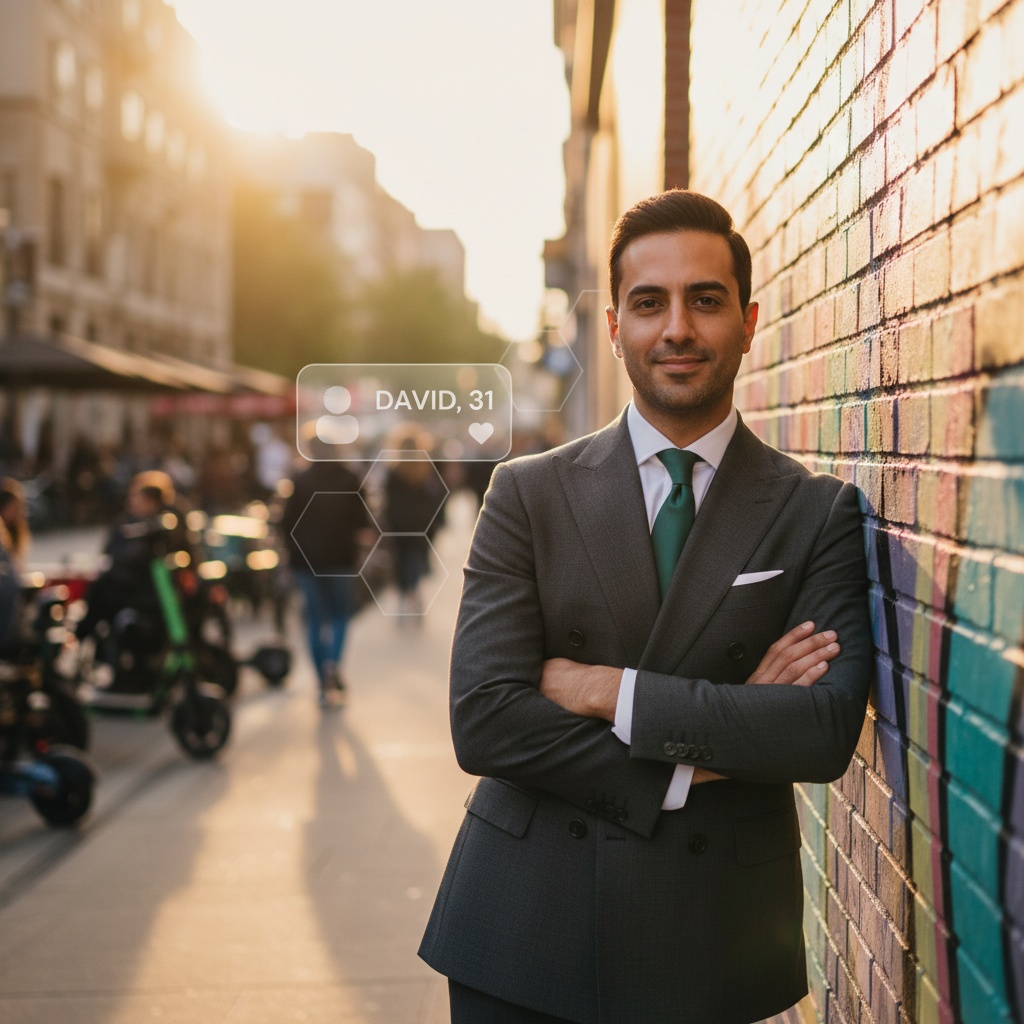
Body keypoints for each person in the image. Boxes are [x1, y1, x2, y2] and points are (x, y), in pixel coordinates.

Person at [418, 190, 873, 1024]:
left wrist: (603, 689)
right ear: (614, 325)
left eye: (707, 300)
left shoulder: (815, 511)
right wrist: (715, 739)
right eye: (650, 302)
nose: (677, 329)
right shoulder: (527, 493)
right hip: (523, 929)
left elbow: (818, 731)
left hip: (711, 936)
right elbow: (485, 719)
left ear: (748, 321)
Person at [279, 446, 373, 706]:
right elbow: (363, 519)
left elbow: (286, 522)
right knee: (340, 616)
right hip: (341, 559)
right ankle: (333, 662)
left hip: (306, 561)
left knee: (314, 620)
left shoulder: (300, 479)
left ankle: (322, 680)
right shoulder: (350, 478)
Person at [383, 436, 447, 619]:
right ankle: (415, 593)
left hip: (400, 526)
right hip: (421, 525)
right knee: (416, 559)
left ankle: (404, 598)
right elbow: (434, 497)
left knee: (402, 560)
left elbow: (389, 503)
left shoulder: (394, 472)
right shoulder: (425, 470)